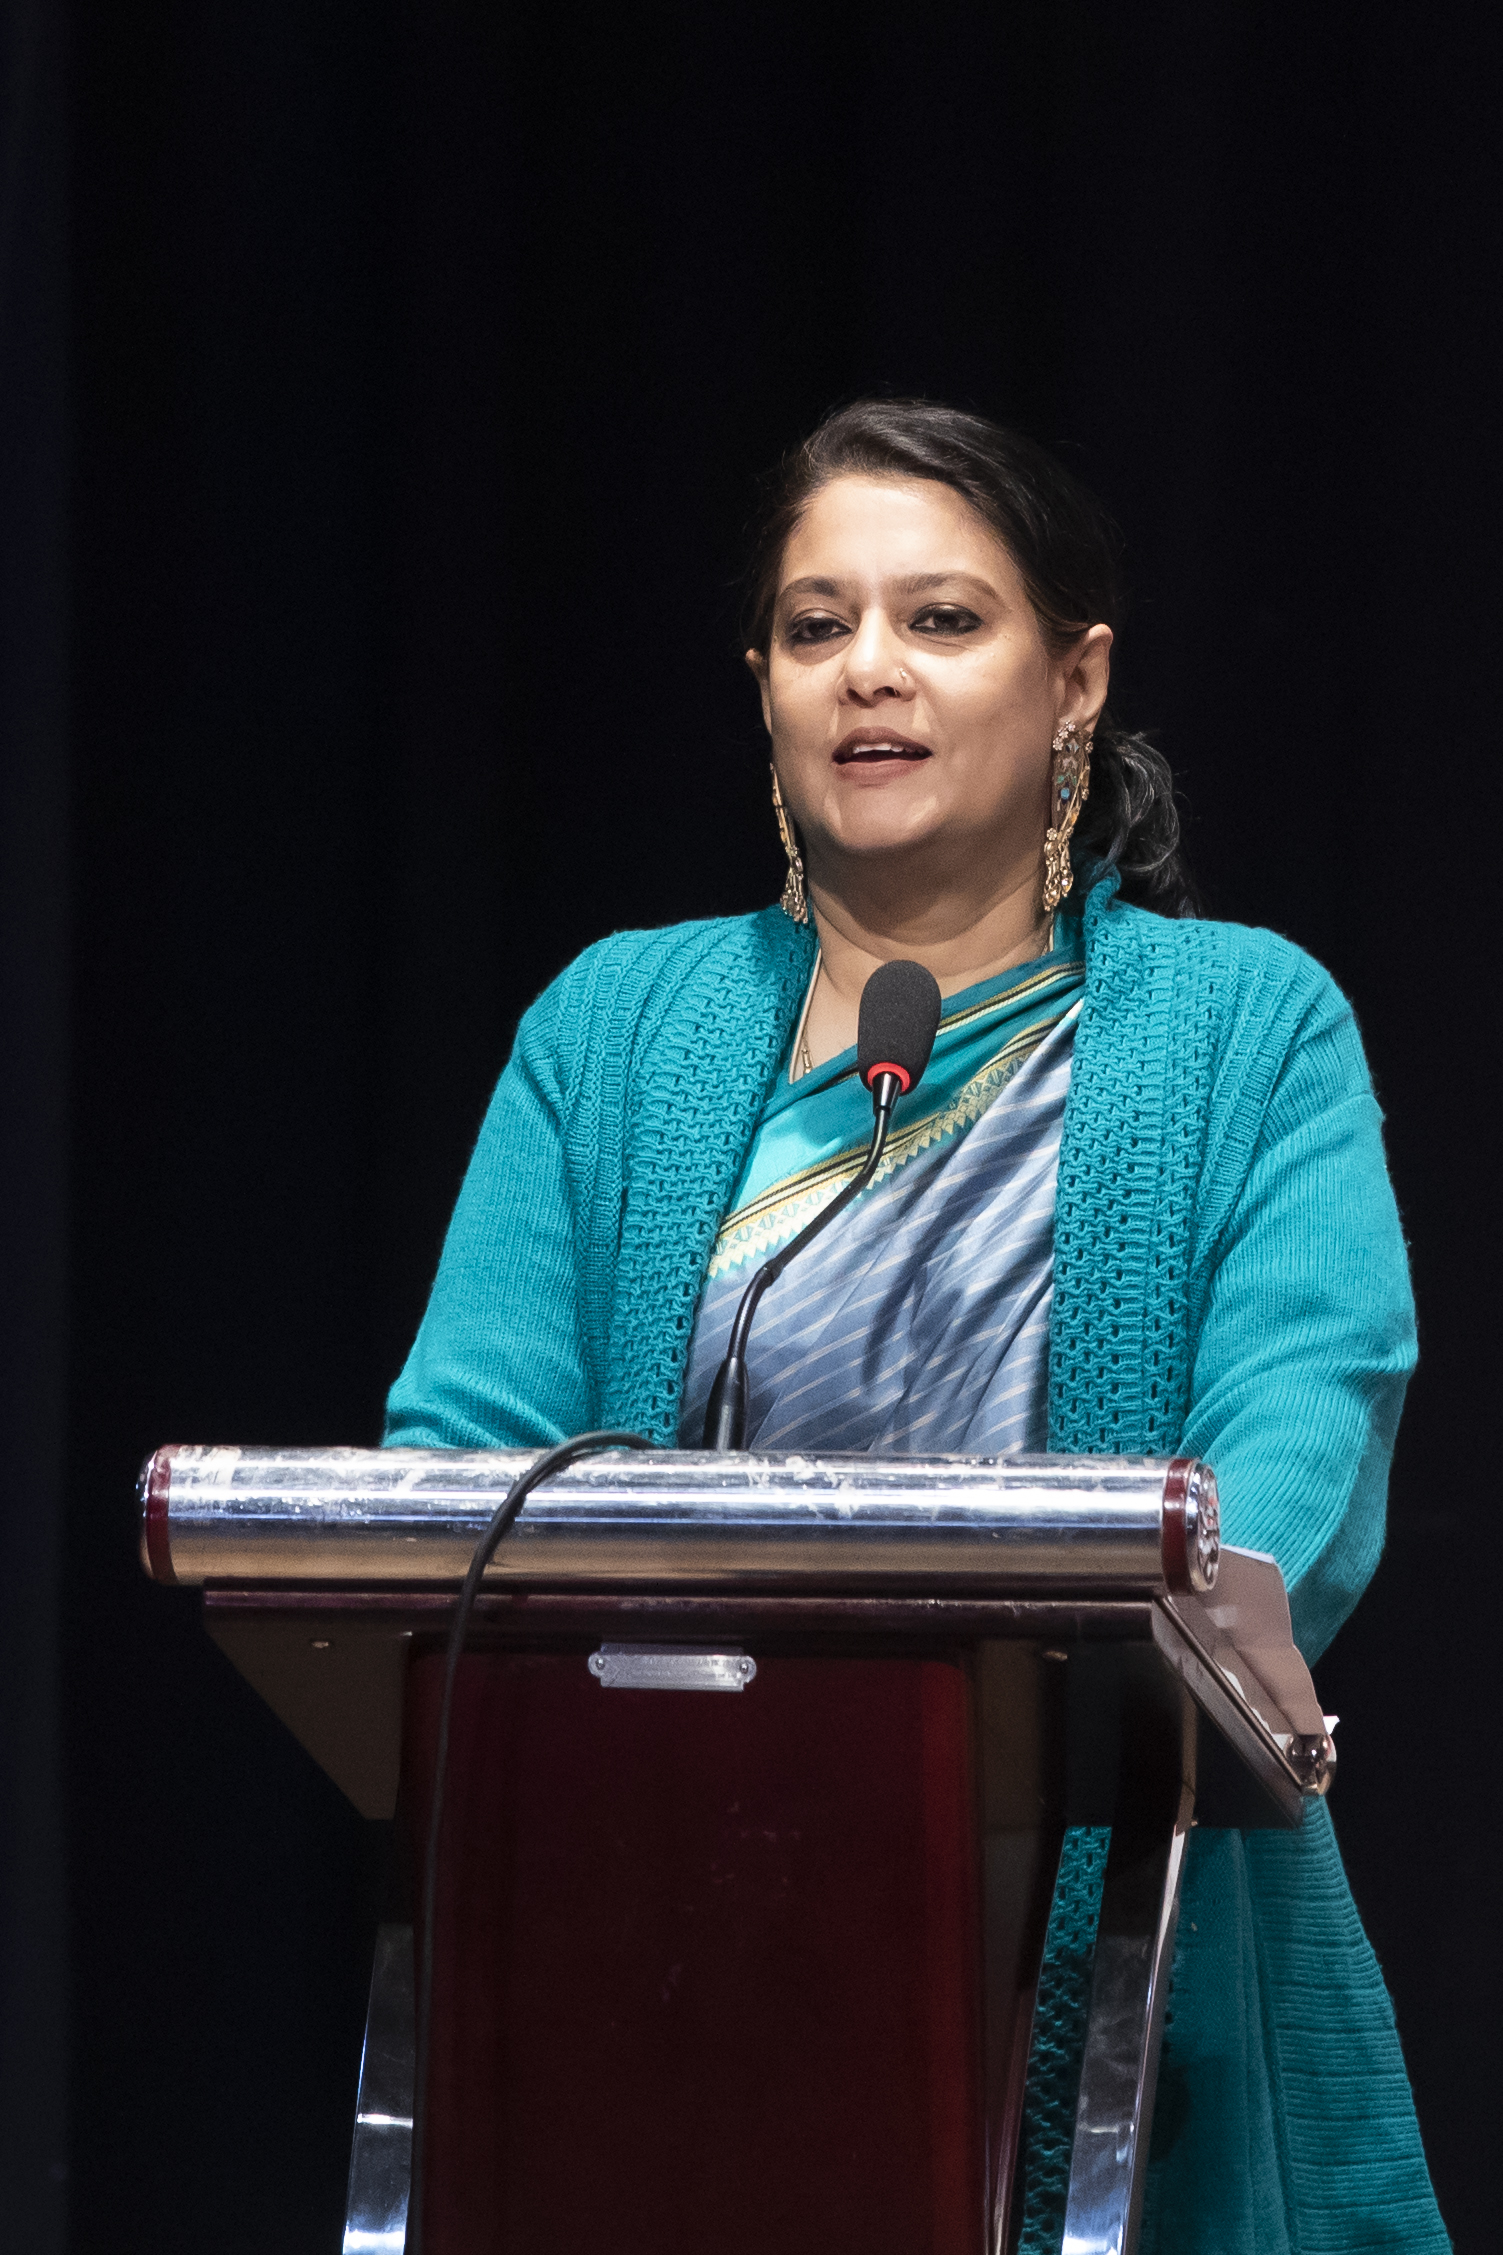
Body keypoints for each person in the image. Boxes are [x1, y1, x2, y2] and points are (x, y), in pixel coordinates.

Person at [385, 399, 1448, 2252]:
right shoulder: (613, 1028)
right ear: (765, 689)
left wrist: (1224, 1585)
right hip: (669, 1923)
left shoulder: (1247, 1026)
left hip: (1132, 1929)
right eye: (817, 627)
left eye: (942, 619)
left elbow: (1309, 1395)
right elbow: (457, 1462)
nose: (869, 668)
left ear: (1075, 680)